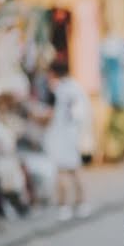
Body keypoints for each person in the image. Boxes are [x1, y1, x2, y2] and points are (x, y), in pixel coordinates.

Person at [43, 60, 88, 220]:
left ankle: (64, 206)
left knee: (62, 171)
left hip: (60, 134)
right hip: (73, 133)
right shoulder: (76, 88)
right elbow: (82, 114)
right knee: (75, 170)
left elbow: (50, 114)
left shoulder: (58, 89)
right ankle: (81, 203)